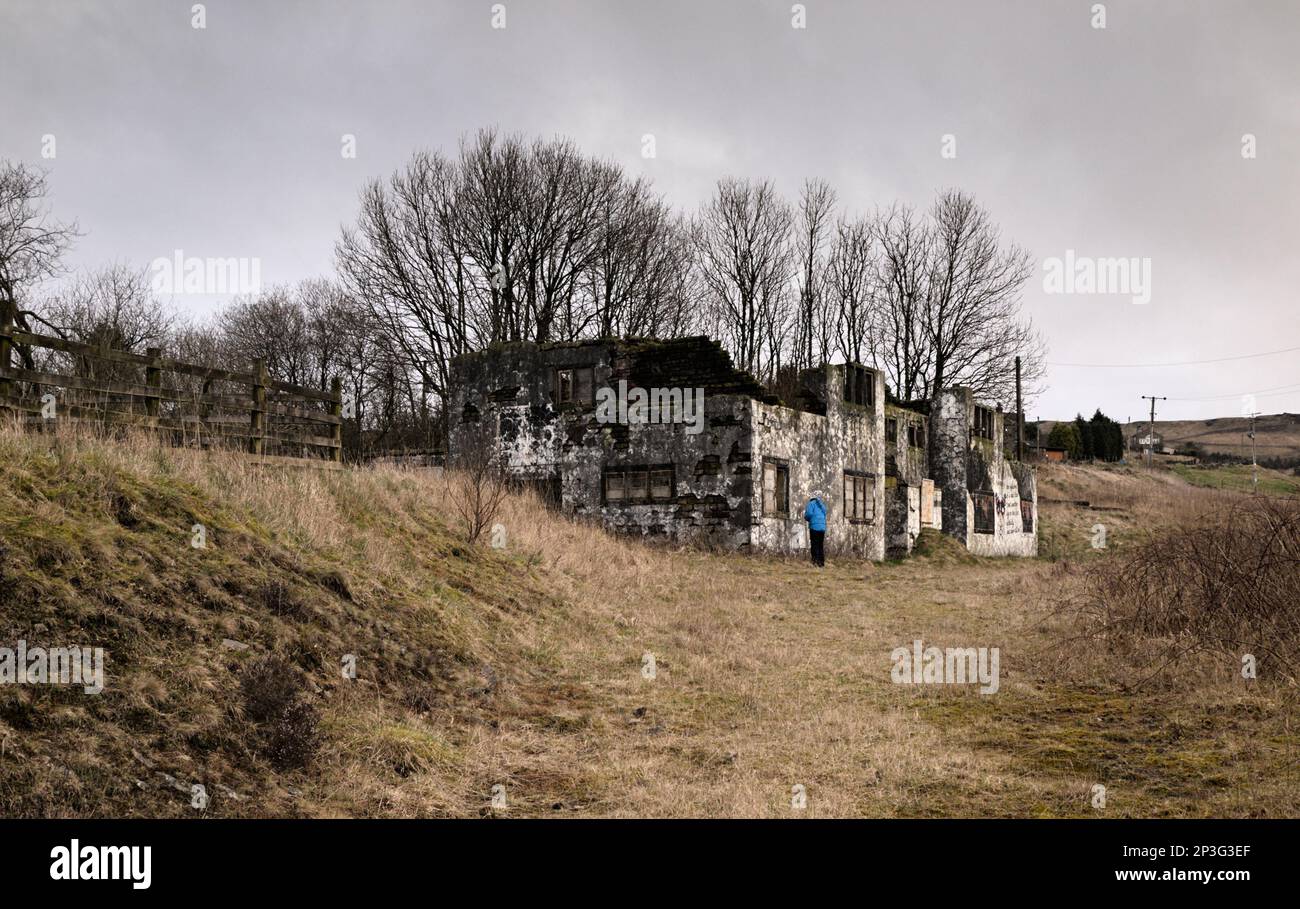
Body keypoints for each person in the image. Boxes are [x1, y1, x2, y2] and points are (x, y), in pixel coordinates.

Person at [804, 489, 827, 567]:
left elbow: (809, 514)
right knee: (820, 545)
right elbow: (825, 514)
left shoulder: (811, 504)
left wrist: (806, 518)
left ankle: (815, 562)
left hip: (814, 527)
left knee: (814, 545)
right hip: (822, 528)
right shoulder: (822, 505)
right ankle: (821, 563)